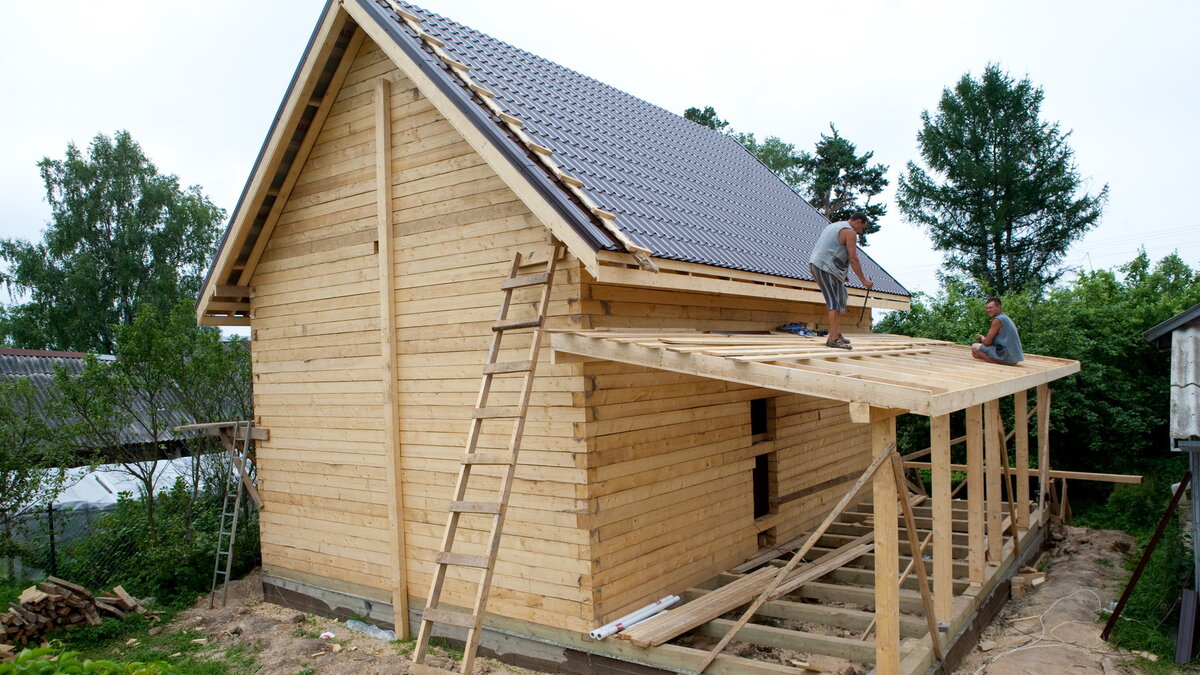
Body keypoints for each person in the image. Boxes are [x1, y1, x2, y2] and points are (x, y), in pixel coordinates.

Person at [808, 212, 874, 350]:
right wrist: (863, 280)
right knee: (834, 302)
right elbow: (853, 257)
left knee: (841, 296)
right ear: (858, 222)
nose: (861, 231)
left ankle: (835, 333)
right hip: (825, 267)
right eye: (862, 227)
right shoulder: (850, 232)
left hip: (823, 265)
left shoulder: (835, 226)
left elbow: (833, 249)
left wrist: (842, 273)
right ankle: (832, 339)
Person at [971, 297, 1025, 365]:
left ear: (999, 307)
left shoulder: (998, 320)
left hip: (1007, 356)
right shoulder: (1005, 318)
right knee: (975, 354)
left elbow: (987, 342)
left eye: (991, 308)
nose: (988, 310)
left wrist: (981, 337)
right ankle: (998, 359)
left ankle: (994, 362)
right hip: (1014, 358)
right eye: (987, 308)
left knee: (974, 347)